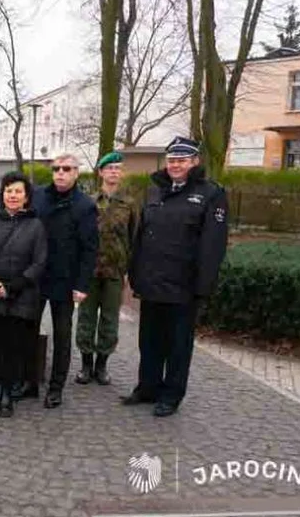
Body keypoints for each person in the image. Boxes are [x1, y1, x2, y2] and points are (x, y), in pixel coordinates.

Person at [123, 137, 228, 417]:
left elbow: (213, 245)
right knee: (149, 340)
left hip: (184, 286)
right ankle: (148, 387)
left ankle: (171, 395)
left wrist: (203, 286)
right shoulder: (155, 191)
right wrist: (135, 274)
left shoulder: (211, 194)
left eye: (182, 160)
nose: (176, 165)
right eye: (172, 160)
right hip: (152, 282)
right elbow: (140, 237)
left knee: (178, 345)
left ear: (195, 162)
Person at [0, 171, 47, 418]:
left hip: (20, 294)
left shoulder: (35, 225)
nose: (12, 195)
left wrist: (13, 286)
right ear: (2, 194)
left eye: (18, 192)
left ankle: (7, 393)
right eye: (8, 191)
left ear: (26, 197)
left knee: (13, 347)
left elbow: (39, 261)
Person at [28, 153, 99, 409]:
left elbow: (90, 249)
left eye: (66, 168)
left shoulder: (85, 206)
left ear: (76, 173)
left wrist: (82, 285)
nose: (60, 172)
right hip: (35, 277)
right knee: (28, 329)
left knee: (62, 335)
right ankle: (29, 381)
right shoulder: (37, 196)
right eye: (56, 168)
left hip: (65, 280)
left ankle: (56, 387)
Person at [75, 151, 137, 386]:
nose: (113, 172)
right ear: (100, 172)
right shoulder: (88, 202)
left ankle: (102, 366)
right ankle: (85, 366)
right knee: (86, 318)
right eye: (109, 168)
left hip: (114, 271)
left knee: (110, 320)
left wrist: (129, 269)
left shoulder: (129, 203)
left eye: (117, 168)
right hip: (89, 271)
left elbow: (134, 237)